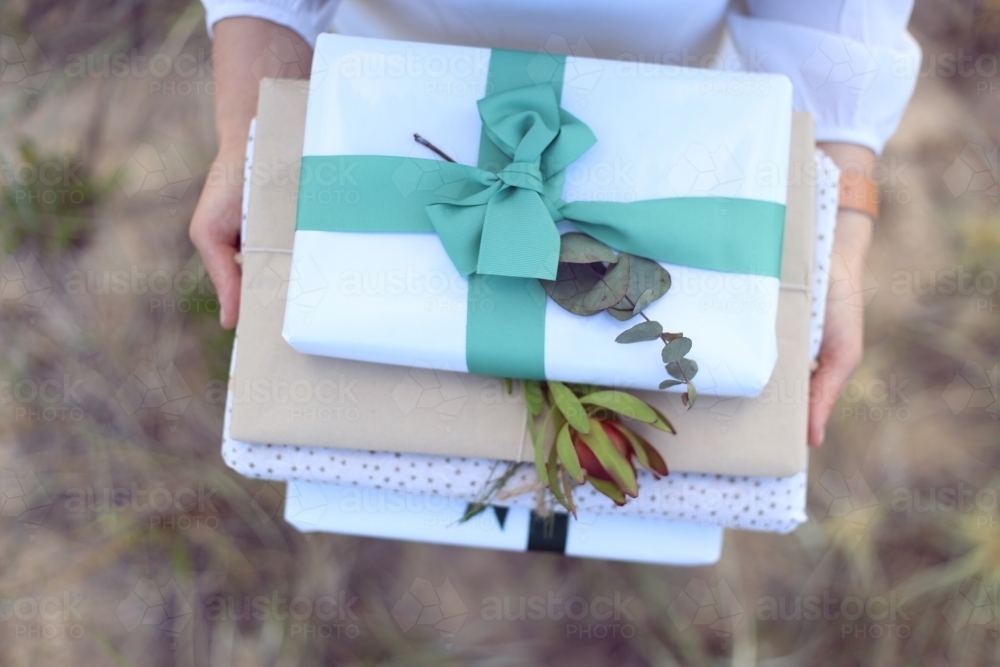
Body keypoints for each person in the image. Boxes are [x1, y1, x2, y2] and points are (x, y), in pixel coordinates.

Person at [190, 0, 920, 447]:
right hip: (384, 100)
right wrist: (250, 133)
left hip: (680, 125)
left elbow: (834, 13)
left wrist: (838, 228)